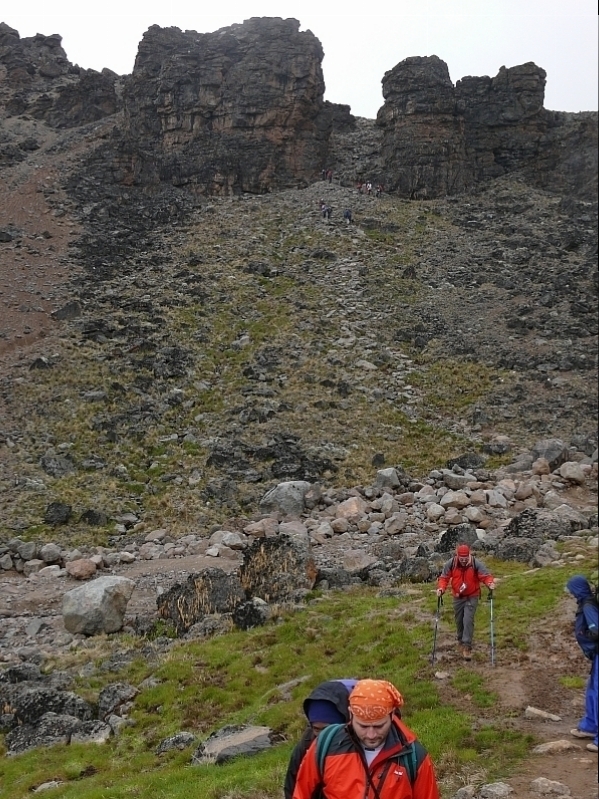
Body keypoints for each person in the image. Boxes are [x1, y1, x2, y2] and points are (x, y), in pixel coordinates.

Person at [292, 679, 440, 799]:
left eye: (379, 726)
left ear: (392, 715)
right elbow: (302, 793)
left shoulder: (414, 757)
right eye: (363, 726)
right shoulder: (327, 743)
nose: (371, 735)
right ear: (350, 714)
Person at [284, 679, 357, 799]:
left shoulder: (365, 741)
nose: (322, 736)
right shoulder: (306, 745)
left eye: (328, 729)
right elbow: (293, 788)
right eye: (317, 729)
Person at [436, 544, 495, 660]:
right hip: (457, 597)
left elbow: (485, 576)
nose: (463, 560)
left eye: (465, 558)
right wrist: (441, 588)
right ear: (457, 555)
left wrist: (490, 583)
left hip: (472, 596)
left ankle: (467, 646)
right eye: (461, 558)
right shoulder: (451, 563)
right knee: (459, 620)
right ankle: (460, 641)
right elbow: (444, 577)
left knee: (468, 620)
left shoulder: (475, 563)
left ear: (469, 555)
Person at [566, 575, 598, 753]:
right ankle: (590, 726)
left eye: (571, 590)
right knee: (593, 691)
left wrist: (587, 636)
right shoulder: (586, 603)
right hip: (596, 655)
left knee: (598, 692)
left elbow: (596, 629)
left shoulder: (588, 606)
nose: (571, 593)